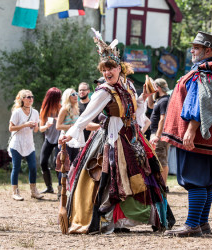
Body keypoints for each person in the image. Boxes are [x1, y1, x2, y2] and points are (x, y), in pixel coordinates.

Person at [59, 32, 175, 234]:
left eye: (110, 68)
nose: (107, 73)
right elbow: (86, 116)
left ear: (119, 68)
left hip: (133, 137)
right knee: (112, 178)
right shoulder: (103, 91)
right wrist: (71, 133)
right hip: (111, 140)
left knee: (142, 177)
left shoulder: (129, 85)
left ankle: (133, 219)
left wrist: (143, 97)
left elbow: (136, 111)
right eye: (103, 70)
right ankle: (109, 220)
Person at [163, 32, 212, 237]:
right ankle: (202, 224)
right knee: (205, 181)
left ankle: (192, 224)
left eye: (196, 47)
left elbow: (202, 105)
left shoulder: (205, 73)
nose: (192, 51)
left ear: (207, 50)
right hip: (207, 137)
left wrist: (191, 130)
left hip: (197, 137)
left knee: (195, 180)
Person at [8, 89, 43, 201]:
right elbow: (11, 128)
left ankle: (33, 191)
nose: (31, 99)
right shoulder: (17, 112)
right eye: (28, 97)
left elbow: (37, 130)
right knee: (16, 167)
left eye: (32, 97)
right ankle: (15, 192)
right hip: (17, 143)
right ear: (22, 99)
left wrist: (35, 125)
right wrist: (24, 125)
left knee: (33, 167)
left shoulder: (35, 112)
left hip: (29, 144)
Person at [38, 87, 62, 194]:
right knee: (43, 162)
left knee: (57, 163)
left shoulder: (61, 109)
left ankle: (61, 187)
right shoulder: (44, 110)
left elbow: (66, 125)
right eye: (58, 97)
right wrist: (47, 125)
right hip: (48, 139)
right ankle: (49, 187)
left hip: (59, 140)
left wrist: (59, 121)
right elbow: (40, 128)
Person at [148, 78, 170, 187]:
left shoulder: (165, 100)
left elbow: (163, 119)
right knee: (156, 159)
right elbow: (150, 106)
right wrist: (149, 94)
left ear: (158, 87)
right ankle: (159, 186)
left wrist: (157, 135)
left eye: (153, 86)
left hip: (159, 136)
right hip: (155, 134)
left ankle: (163, 187)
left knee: (161, 160)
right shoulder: (159, 100)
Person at [56, 88, 85, 164]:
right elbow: (58, 126)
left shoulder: (76, 108)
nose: (76, 96)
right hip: (66, 141)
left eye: (76, 94)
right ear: (67, 97)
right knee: (65, 167)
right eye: (73, 94)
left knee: (74, 166)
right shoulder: (64, 109)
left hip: (75, 140)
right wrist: (71, 126)